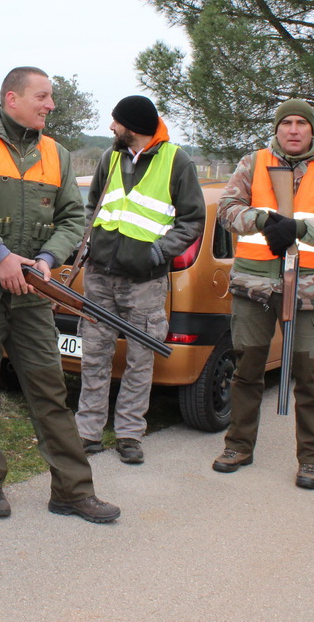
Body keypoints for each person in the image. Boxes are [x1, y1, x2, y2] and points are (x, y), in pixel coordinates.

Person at [0, 66, 120, 523]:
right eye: (42, 96)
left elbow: (73, 220)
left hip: (32, 290)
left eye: (51, 97)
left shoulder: (56, 153)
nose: (50, 105)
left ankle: (72, 491)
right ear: (12, 99)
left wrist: (45, 259)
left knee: (50, 392)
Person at [213, 99, 314, 489]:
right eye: (286, 123)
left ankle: (311, 460)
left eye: (301, 123)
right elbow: (227, 210)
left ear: (313, 129)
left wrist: (299, 230)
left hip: (306, 288)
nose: (293, 130)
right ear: (277, 129)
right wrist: (261, 219)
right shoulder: (253, 163)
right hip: (253, 287)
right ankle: (238, 446)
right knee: (247, 371)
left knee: (309, 376)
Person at [74, 95, 205, 464]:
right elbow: (92, 206)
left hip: (145, 281)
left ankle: (130, 435)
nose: (111, 127)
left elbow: (193, 220)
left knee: (140, 359)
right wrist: (88, 244)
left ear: (132, 127)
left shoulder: (176, 160)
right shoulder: (109, 157)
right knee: (94, 355)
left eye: (116, 122)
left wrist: (159, 252)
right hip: (100, 276)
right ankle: (88, 432)